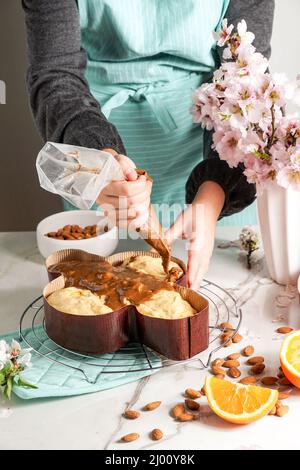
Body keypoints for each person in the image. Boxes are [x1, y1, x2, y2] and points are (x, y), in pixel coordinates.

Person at [23, 0, 274, 288]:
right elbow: (56, 74)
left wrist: (213, 195)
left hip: (213, 156)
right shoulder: (97, 160)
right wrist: (101, 162)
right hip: (92, 147)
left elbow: (245, 79)